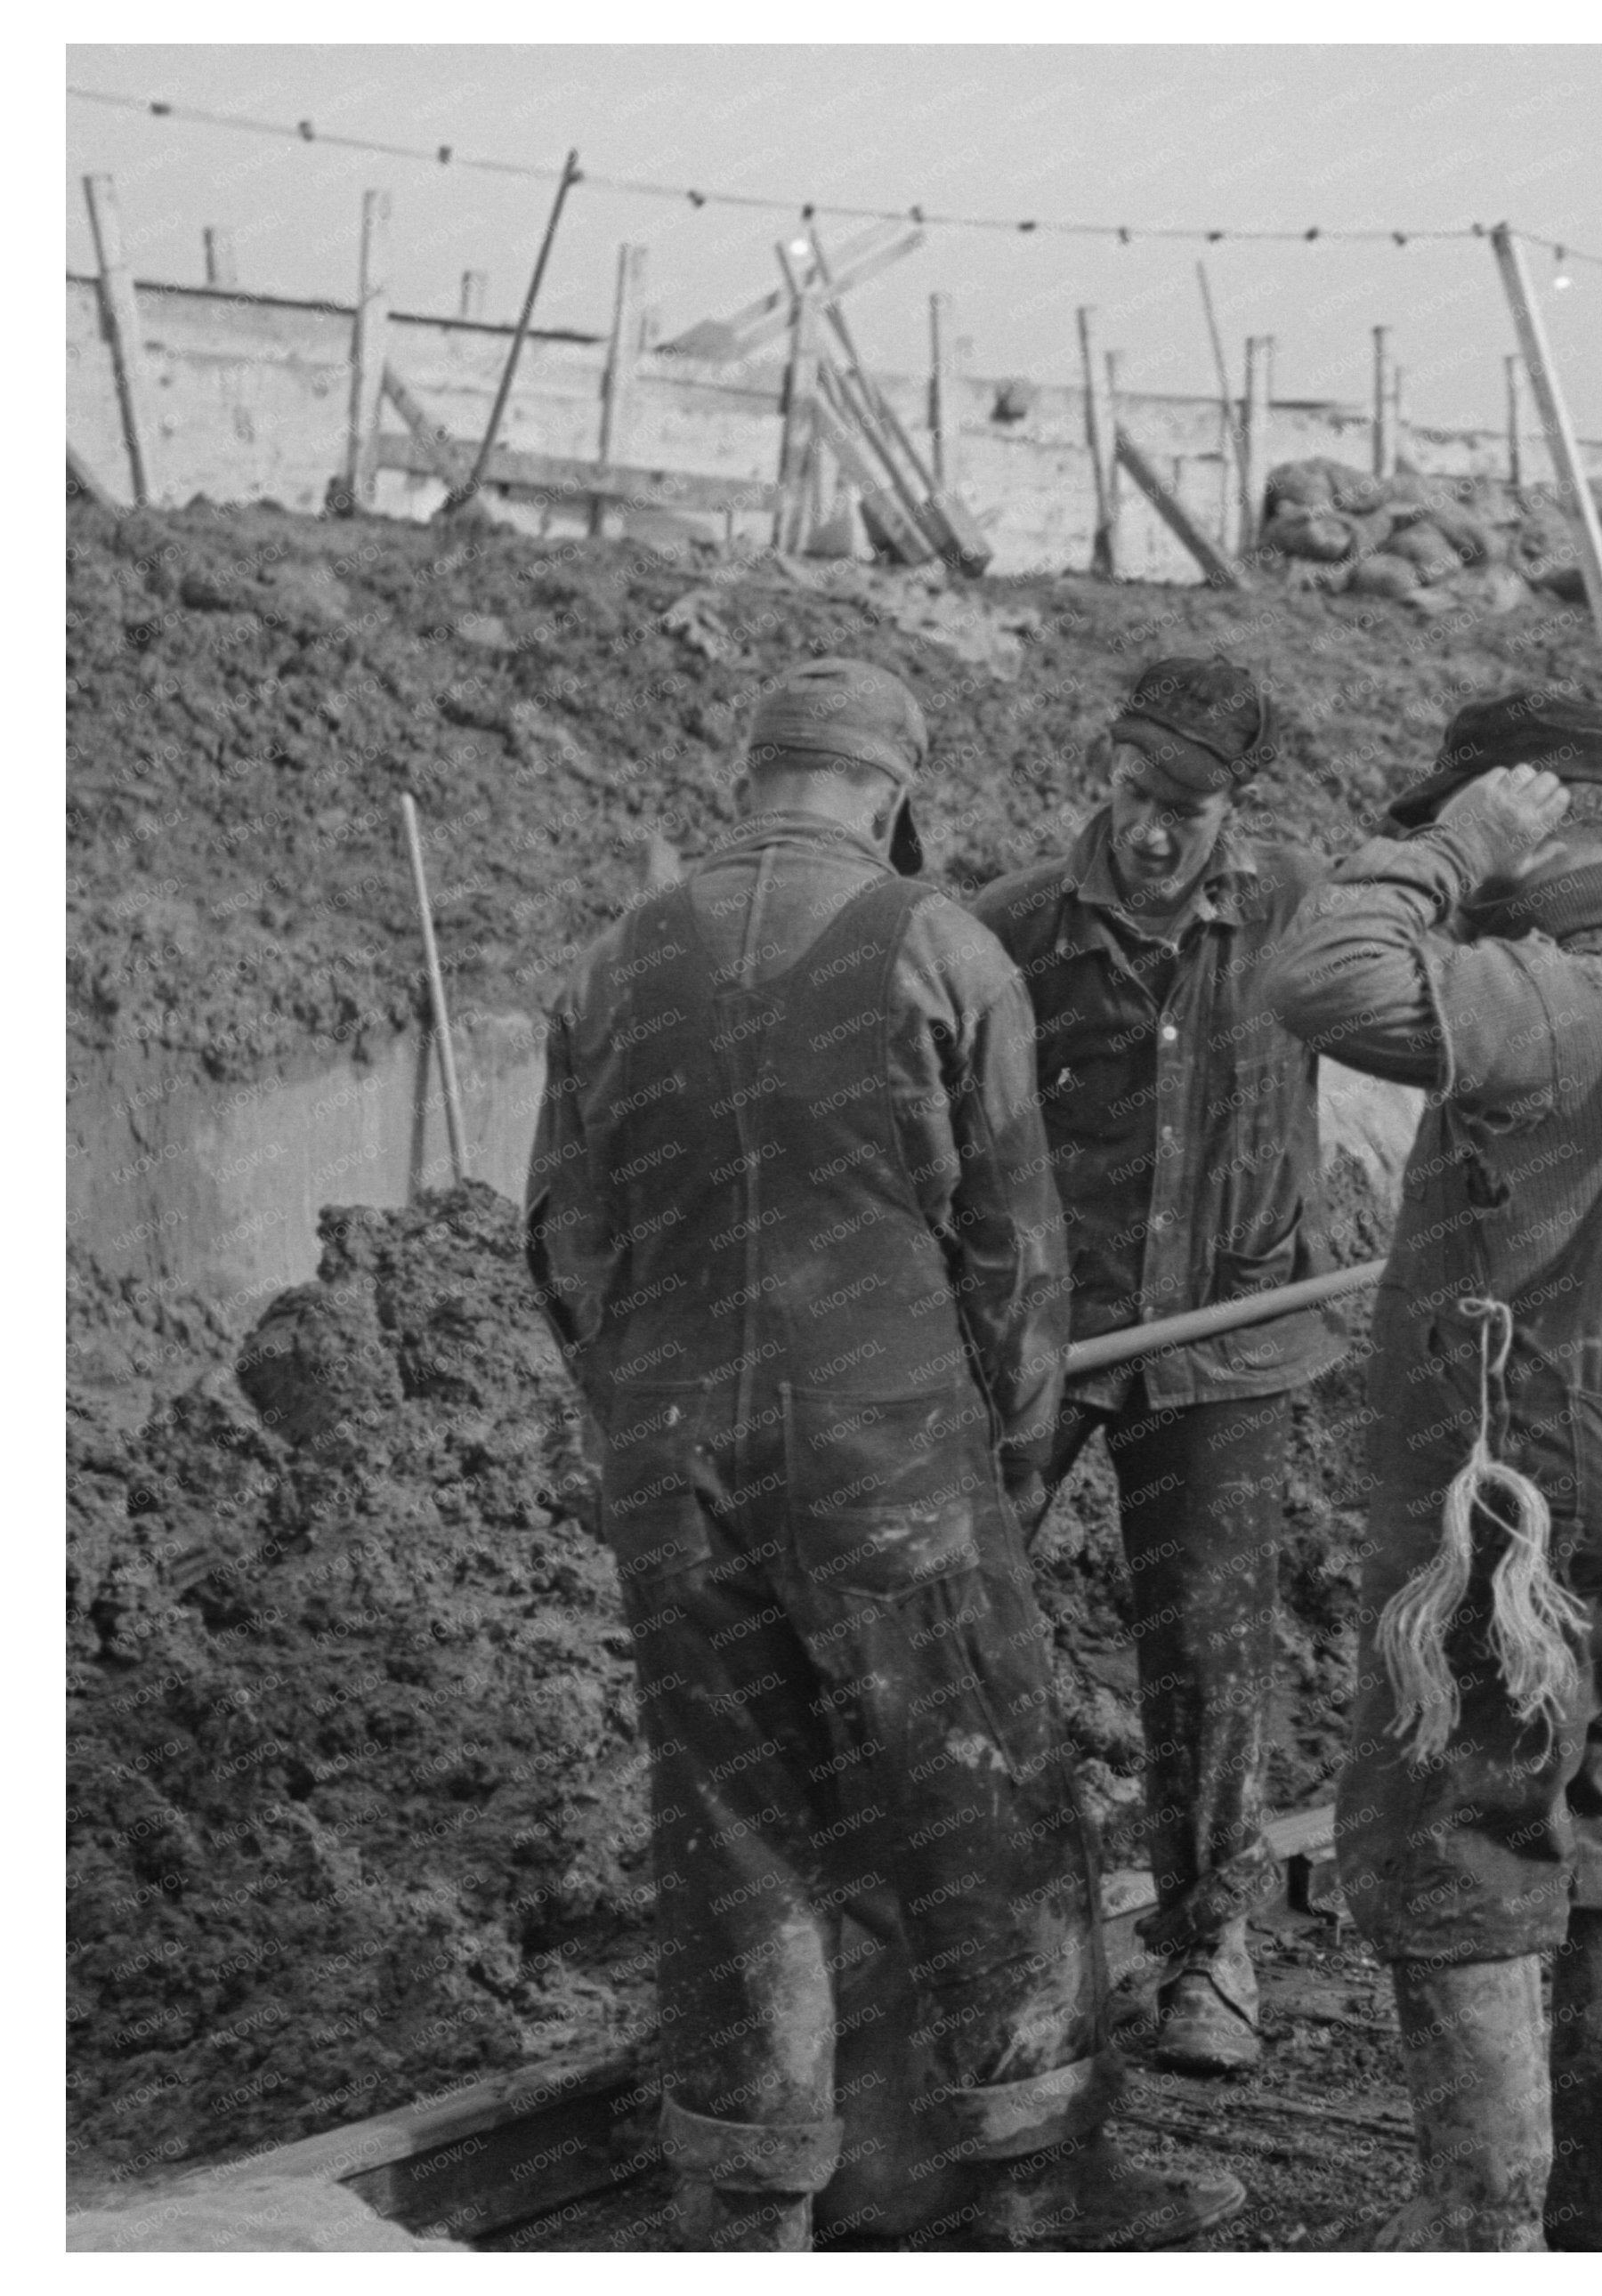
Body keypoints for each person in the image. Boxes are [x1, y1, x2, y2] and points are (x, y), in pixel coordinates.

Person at [524, 658, 1240, 2252]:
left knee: (729, 1811)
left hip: (670, 1449)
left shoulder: (608, 964)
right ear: (894, 792)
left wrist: (647, 1419)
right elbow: (1017, 1259)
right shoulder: (941, 945)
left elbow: (565, 1251)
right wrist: (1004, 1462)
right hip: (888, 1447)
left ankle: (753, 2195)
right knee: (980, 1796)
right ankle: (1031, 2180)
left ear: (747, 775)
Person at [1264, 691, 1602, 2251]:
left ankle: (1482, 2230)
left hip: (1515, 1525)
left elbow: (1325, 976)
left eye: (1466, 820)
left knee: (1455, 1834)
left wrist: (1459, 846)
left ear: (1547, 816)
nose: (1447, 855)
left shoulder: (1568, 993)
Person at [969, 656, 1333, 2076]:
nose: (1152, 833)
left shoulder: (1300, 919)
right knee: (968, 1613)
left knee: (1208, 1646)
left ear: (1235, 807)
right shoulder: (1011, 930)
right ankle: (972, 1935)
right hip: (1048, 1337)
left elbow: (1423, 999)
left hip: (1228, 1338)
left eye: (1186, 809)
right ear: (1103, 774)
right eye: (1132, 796)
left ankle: (1209, 1950)